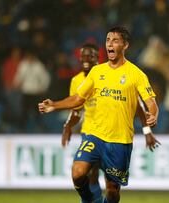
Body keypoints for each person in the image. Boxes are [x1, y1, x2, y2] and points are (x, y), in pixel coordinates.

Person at [38, 26, 159, 203]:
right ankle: (90, 201)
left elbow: (149, 102)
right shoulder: (97, 72)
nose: (110, 44)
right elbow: (79, 98)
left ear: (125, 45)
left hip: (120, 141)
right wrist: (55, 105)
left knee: (112, 192)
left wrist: (153, 115)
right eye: (108, 40)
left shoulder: (136, 74)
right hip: (95, 135)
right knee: (78, 173)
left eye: (115, 40)